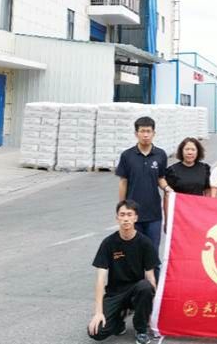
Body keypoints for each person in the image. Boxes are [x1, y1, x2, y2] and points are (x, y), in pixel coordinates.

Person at [88, 200, 158, 344]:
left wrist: (153, 311)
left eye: (129, 215)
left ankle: (141, 330)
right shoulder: (108, 243)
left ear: (135, 218)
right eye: (122, 215)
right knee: (96, 332)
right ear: (117, 218)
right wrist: (98, 312)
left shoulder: (145, 243)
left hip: (136, 291)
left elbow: (150, 277)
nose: (126, 218)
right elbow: (100, 279)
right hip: (115, 293)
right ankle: (119, 321)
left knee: (145, 287)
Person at [116, 116, 170, 258]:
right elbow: (123, 181)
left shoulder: (161, 154)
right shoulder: (127, 155)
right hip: (133, 213)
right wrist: (122, 208)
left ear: (154, 133)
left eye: (148, 131)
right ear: (136, 133)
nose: (145, 135)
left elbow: (160, 178)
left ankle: (153, 274)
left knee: (152, 251)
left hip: (154, 214)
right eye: (142, 131)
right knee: (133, 251)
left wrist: (167, 188)